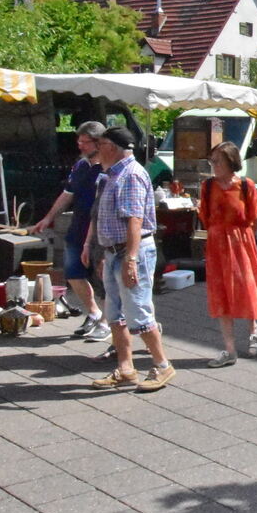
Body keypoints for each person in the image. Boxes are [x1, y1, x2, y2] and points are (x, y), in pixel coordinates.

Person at [88, 127, 175, 392]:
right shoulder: (111, 175)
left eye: (99, 144)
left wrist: (130, 259)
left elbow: (134, 220)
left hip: (129, 252)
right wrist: (107, 252)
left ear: (112, 147)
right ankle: (126, 369)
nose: (95, 149)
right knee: (115, 314)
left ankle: (163, 366)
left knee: (138, 311)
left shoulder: (131, 174)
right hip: (115, 251)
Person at [32, 121, 108, 342]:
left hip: (100, 230)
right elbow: (67, 194)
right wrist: (48, 218)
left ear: (98, 142)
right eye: (79, 141)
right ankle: (93, 312)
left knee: (103, 278)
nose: (80, 146)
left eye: (85, 142)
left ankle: (106, 320)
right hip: (78, 226)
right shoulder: (80, 165)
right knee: (73, 272)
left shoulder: (108, 167)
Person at [198, 141, 257, 367]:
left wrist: (240, 238)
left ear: (231, 162)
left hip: (241, 243)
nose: (214, 165)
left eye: (217, 161)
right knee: (221, 294)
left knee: (246, 289)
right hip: (217, 246)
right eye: (212, 161)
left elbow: (254, 219)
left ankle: (253, 330)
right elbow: (205, 216)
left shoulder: (246, 186)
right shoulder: (208, 187)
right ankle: (229, 350)